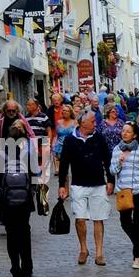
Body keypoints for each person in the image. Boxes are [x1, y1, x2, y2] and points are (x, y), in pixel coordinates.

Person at [58, 111, 113, 267]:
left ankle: (99, 253)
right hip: (78, 184)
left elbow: (107, 159)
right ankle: (83, 249)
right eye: (93, 122)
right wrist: (62, 185)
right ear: (83, 123)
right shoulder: (70, 140)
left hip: (98, 184)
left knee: (98, 217)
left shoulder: (98, 138)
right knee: (80, 219)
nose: (95, 124)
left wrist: (110, 180)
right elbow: (63, 163)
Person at [0, 120, 35, 277]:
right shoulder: (27, 150)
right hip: (25, 200)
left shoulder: (0, 151)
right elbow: (34, 173)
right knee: (24, 232)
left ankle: (15, 271)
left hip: (7, 201)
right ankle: (27, 267)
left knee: (11, 235)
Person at [111, 121, 139, 269]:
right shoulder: (117, 150)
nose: (124, 133)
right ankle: (138, 243)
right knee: (125, 222)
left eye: (128, 131)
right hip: (123, 192)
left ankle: (138, 257)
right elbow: (112, 171)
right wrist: (119, 162)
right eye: (123, 131)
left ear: (134, 135)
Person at [52, 103, 76, 177]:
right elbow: (56, 135)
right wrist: (53, 144)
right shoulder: (58, 122)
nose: (64, 112)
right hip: (60, 146)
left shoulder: (75, 122)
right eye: (63, 110)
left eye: (67, 111)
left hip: (72, 147)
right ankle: (64, 185)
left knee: (74, 169)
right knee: (63, 171)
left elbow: (77, 136)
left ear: (70, 113)